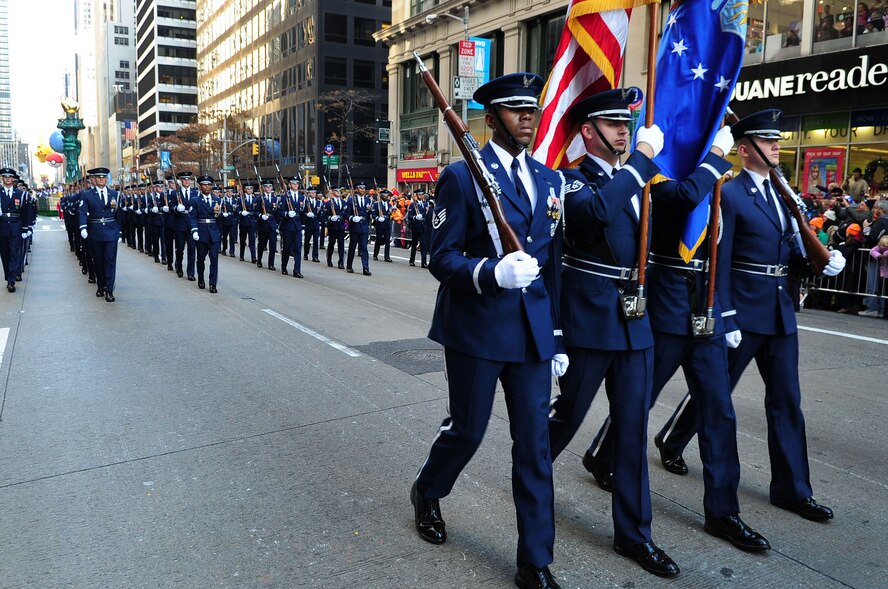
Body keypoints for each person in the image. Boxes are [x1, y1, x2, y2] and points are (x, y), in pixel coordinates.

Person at [578, 120, 771, 554]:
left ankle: (724, 512)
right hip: (665, 308)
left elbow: (720, 252)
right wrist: (716, 158)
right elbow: (684, 200)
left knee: (719, 411)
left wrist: (725, 311)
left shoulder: (717, 180)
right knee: (638, 404)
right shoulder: (661, 177)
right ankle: (601, 454)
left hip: (705, 311)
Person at [412, 72, 568, 589]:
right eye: (515, 110)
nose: (528, 118)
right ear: (492, 117)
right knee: (468, 430)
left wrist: (558, 335)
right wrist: (490, 272)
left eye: (533, 109)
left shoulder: (550, 180)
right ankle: (428, 489)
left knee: (535, 446)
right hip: (477, 329)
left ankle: (535, 562)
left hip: (531, 335)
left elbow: (556, 263)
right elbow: (441, 257)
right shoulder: (461, 176)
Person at [655, 109, 846, 523]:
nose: (777, 145)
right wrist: (725, 313)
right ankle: (672, 439)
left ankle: (793, 490)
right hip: (741, 310)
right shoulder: (730, 193)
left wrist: (820, 263)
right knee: (715, 394)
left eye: (777, 139)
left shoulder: (784, 194)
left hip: (778, 312)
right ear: (744, 150)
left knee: (787, 402)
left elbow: (790, 248)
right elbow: (719, 260)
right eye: (767, 140)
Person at [544, 88, 679, 577]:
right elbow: (594, 214)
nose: (625, 130)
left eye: (628, 123)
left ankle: (635, 535)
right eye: (613, 123)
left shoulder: (638, 183)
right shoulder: (570, 180)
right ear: (588, 131)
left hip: (636, 322)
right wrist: (642, 159)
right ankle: (530, 473)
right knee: (567, 417)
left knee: (631, 429)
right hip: (589, 321)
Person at [78, 167, 121, 302]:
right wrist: (83, 227)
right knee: (98, 261)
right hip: (95, 231)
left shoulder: (115, 194)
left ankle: (109, 290)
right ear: (94, 179)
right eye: (99, 177)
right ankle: (100, 285)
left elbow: (119, 214)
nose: (101, 179)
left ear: (107, 178)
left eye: (104, 177)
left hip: (111, 231)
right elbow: (82, 212)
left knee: (110, 261)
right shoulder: (87, 195)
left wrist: (119, 231)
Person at [188, 175, 221, 293]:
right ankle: (201, 279)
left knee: (214, 259)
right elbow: (192, 217)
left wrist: (220, 233)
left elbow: (218, 217)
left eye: (209, 185)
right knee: (201, 259)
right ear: (200, 186)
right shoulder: (195, 200)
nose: (207, 187)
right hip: (201, 233)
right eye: (204, 185)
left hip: (213, 233)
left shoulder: (217, 200)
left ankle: (213, 284)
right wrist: (194, 230)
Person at [0, 167, 24, 292]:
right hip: (2, 227)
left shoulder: (20, 194)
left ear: (13, 179)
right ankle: (8, 276)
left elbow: (25, 211)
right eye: (5, 177)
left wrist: (26, 228)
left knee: (14, 254)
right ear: (2, 178)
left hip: (15, 227)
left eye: (9, 177)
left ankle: (11, 281)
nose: (7, 179)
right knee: (5, 255)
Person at [278, 176, 304, 278]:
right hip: (288, 226)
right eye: (293, 183)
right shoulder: (284, 197)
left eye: (297, 183)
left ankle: (297, 270)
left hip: (297, 226)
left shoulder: (302, 197)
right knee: (287, 248)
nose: (296, 185)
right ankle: (284, 266)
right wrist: (287, 214)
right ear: (289, 185)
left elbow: (303, 211)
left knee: (298, 249)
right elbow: (280, 212)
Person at [345, 181, 372, 275]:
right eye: (360, 188)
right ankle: (349, 266)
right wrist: (351, 218)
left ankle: (366, 268)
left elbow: (369, 214)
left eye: (364, 188)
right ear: (356, 189)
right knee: (352, 247)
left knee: (364, 248)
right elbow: (346, 213)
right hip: (354, 226)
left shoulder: (368, 200)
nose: (362, 190)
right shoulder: (351, 199)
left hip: (364, 226)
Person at [255, 179, 278, 271]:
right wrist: (260, 215)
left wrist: (277, 225)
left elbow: (277, 213)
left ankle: (271, 264)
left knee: (273, 245)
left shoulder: (275, 198)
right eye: (266, 186)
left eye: (270, 187)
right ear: (263, 188)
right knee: (262, 244)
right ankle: (259, 260)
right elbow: (255, 212)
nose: (268, 188)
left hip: (272, 224)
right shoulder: (259, 198)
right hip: (263, 225)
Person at [324, 186, 346, 269]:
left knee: (341, 244)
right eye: (336, 191)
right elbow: (325, 214)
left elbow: (345, 213)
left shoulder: (343, 202)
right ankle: (329, 259)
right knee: (331, 244)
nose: (338, 192)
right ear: (332, 192)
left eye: (339, 191)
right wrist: (330, 218)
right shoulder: (328, 203)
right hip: (332, 226)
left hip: (341, 226)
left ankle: (341, 262)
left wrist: (342, 217)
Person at [372, 189, 393, 262]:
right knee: (378, 239)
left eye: (387, 195)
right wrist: (377, 218)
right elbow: (373, 214)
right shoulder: (377, 204)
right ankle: (375, 254)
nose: (386, 197)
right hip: (380, 224)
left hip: (387, 224)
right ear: (381, 196)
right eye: (385, 195)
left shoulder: (389, 205)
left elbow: (389, 214)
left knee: (387, 241)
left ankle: (387, 256)